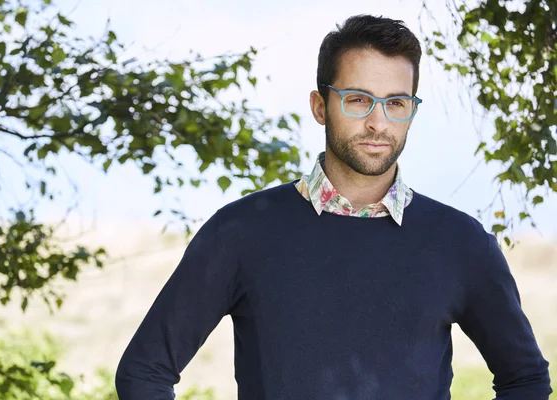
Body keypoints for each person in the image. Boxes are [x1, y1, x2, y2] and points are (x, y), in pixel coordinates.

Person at [115, 14, 552, 400]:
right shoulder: (240, 233)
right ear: (320, 106)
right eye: (359, 99)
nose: (379, 123)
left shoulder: (461, 244)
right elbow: (145, 372)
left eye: (396, 103)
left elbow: (526, 380)